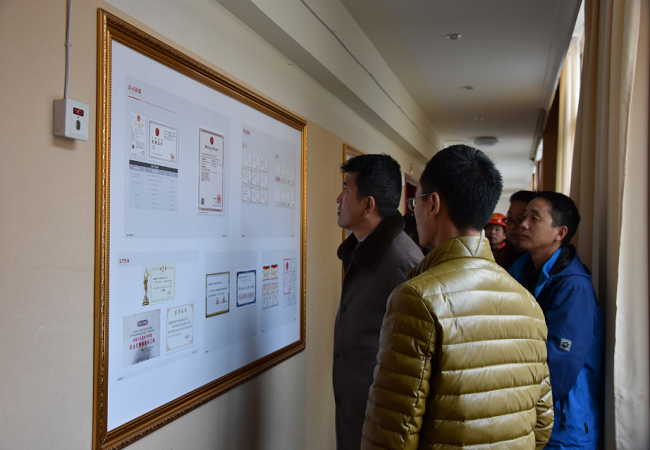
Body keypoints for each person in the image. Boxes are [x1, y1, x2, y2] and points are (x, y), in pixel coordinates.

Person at [361, 145, 553, 450]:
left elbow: (394, 432)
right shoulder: (527, 302)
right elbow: (541, 425)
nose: (413, 210)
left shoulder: (416, 298)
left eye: (415, 201)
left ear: (433, 204)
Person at [333, 153, 423, 450]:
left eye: (346, 189)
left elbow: (414, 367)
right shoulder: (363, 249)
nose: (338, 198)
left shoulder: (402, 264)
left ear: (367, 205)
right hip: (357, 415)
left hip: (382, 426)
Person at [510, 191, 604, 449]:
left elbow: (559, 367)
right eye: (522, 217)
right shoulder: (521, 272)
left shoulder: (573, 288)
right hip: (535, 418)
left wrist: (511, 405)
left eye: (534, 218)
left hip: (564, 427)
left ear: (560, 232)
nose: (523, 225)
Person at [494, 190, 536, 269]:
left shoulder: (538, 262)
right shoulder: (498, 256)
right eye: (509, 218)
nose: (512, 226)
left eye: (520, 220)